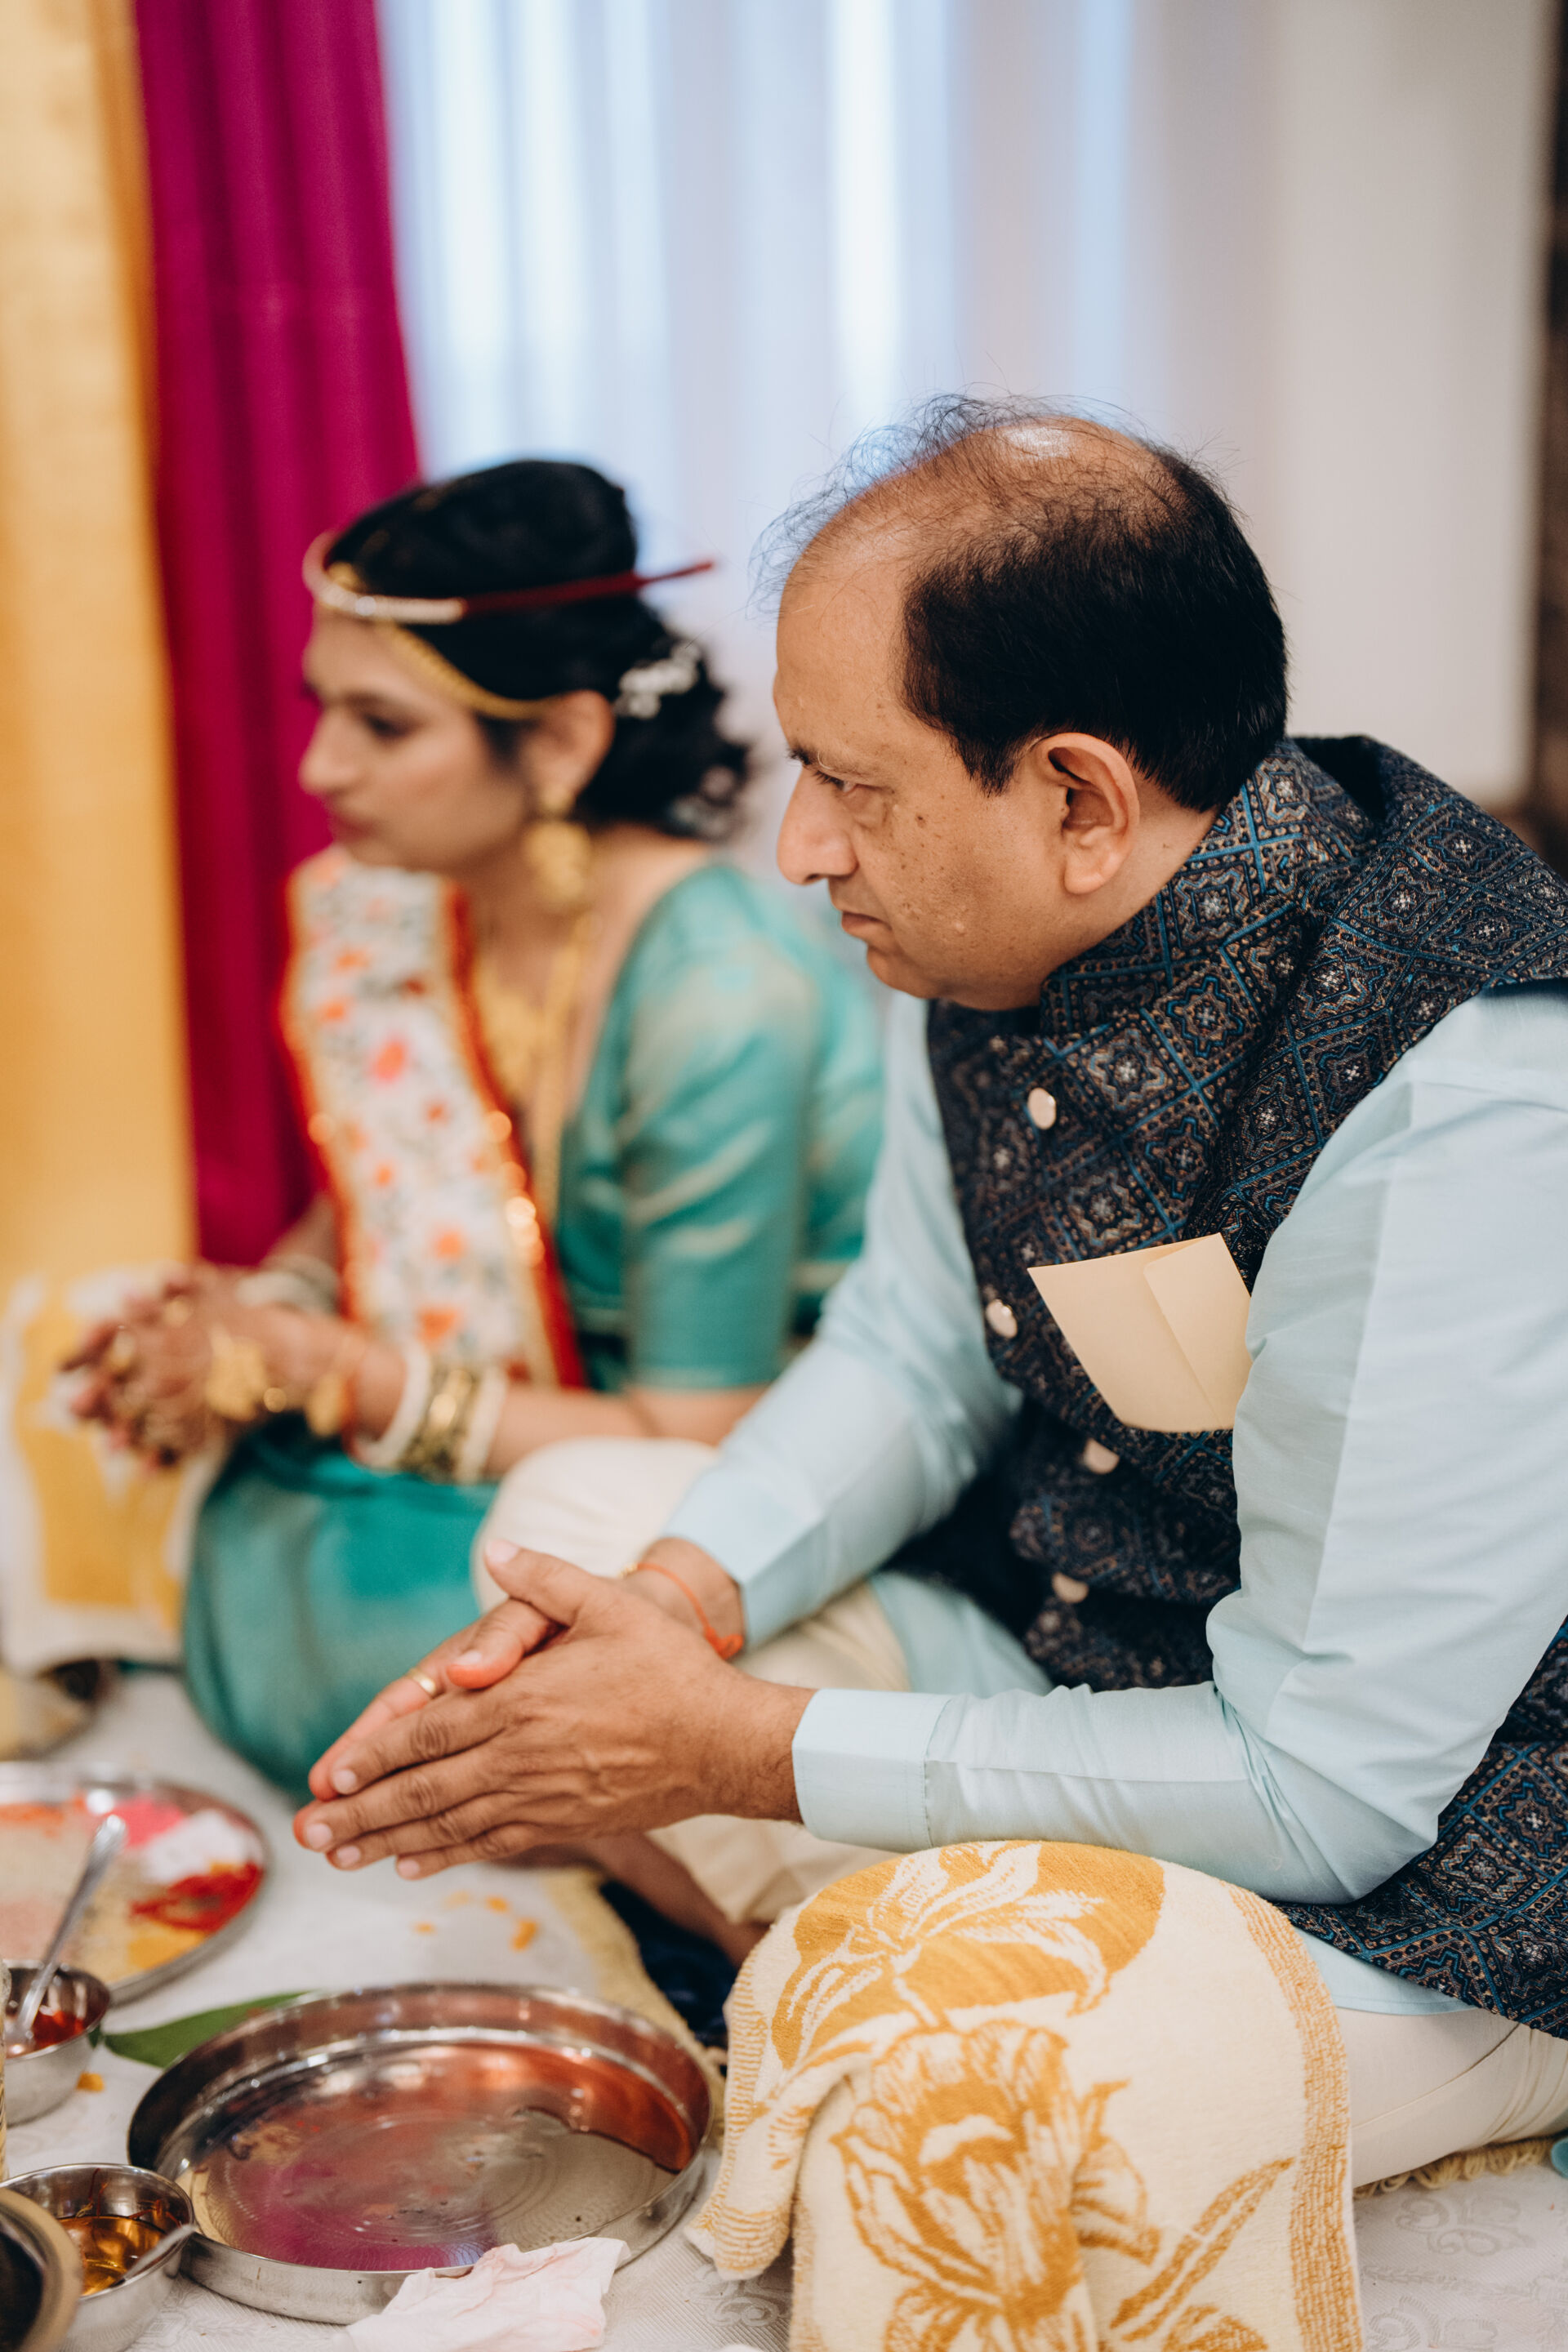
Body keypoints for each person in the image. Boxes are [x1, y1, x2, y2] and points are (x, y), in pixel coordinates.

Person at [292, 404, 1568, 2331]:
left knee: (933, 2084)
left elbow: (1328, 1783)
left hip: (1453, 1879)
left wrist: (731, 1748)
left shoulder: (1460, 1087)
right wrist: (672, 1614)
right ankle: (907, 1954)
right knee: (580, 1540)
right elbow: (911, 1345)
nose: (799, 847)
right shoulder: (985, 935)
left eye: (848, 782)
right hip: (1094, 1657)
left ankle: (918, 1992)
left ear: (1078, 802)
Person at [67, 459, 881, 1798]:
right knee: (76, 1366)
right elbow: (385, 1195)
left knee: (420, 1620)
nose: (320, 767)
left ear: (556, 743)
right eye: (323, 709)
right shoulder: (415, 903)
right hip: (499, 1411)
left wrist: (337, 1376)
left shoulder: (717, 995)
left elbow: (700, 1430)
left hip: (691, 1468)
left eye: (383, 726)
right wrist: (259, 1316)